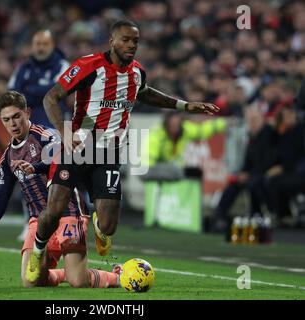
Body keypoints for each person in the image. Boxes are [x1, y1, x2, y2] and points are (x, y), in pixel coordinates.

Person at [25, 19, 219, 284]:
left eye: (135, 41)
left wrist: (185, 106)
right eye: (126, 40)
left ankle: (98, 225)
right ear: (112, 41)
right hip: (78, 148)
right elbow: (51, 98)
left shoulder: (137, 72)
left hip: (109, 154)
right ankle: (38, 249)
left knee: (108, 226)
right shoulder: (88, 66)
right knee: (54, 210)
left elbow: (146, 93)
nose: (131, 45)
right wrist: (65, 131)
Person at [0, 91, 120, 288]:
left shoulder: (46, 136)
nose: (13, 124)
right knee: (31, 282)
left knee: (79, 282)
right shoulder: (7, 157)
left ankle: (115, 276)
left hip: (68, 212)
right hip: (38, 220)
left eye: (17, 116)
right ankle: (62, 274)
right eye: (6, 120)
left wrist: (36, 167)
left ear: (28, 113)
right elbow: (2, 195)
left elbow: (60, 160)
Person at [8, 29, 71, 241]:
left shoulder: (62, 65)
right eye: (37, 43)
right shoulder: (23, 67)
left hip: (55, 132)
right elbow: (12, 97)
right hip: (28, 131)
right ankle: (32, 222)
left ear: (53, 45)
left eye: (44, 43)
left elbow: (52, 94)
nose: (40, 48)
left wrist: (31, 93)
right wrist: (38, 92)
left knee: (57, 178)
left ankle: (65, 222)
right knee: (27, 176)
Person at [212, 106, 278, 232]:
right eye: (250, 120)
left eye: (255, 119)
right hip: (253, 173)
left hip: (265, 173)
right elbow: (248, 162)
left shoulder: (269, 135)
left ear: (262, 120)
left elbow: (267, 163)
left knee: (254, 183)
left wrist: (248, 174)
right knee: (233, 184)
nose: (252, 123)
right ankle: (220, 216)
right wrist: (241, 173)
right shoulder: (252, 137)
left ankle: (258, 214)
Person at [146, 110, 227, 169]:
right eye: (172, 124)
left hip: (176, 170)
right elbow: (149, 156)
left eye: (177, 124)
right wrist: (150, 171)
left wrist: (223, 123)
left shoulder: (184, 130)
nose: (175, 127)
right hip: (159, 170)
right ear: (167, 123)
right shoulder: (157, 134)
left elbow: (201, 130)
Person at [267, 106, 305, 225]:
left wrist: (282, 168)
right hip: (289, 170)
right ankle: (283, 215)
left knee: (282, 182)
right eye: (284, 117)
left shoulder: (300, 131)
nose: (287, 118)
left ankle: (292, 213)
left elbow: (296, 155)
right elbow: (276, 150)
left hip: (299, 171)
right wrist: (274, 129)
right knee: (272, 181)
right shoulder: (284, 133)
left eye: (290, 115)